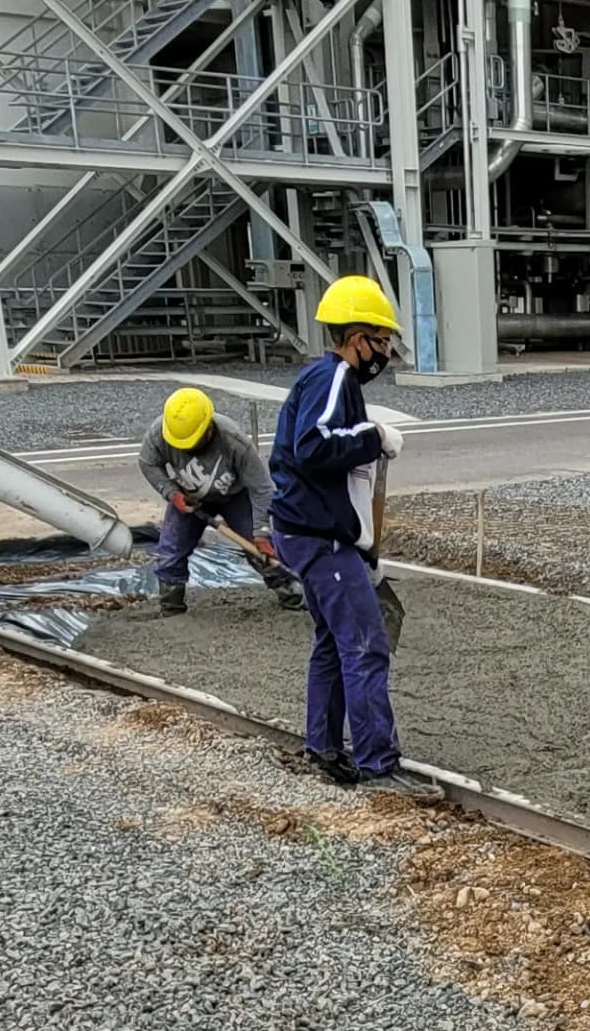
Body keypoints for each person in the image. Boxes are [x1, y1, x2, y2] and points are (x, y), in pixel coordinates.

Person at [270, 273, 409, 786]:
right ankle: (379, 764)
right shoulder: (333, 379)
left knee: (331, 642)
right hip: (318, 537)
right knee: (365, 646)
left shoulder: (326, 380)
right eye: (382, 341)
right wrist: (371, 437)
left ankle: (324, 748)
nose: (385, 353)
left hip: (312, 533)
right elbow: (313, 445)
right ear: (357, 339)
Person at [138, 387, 302, 614]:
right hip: (188, 499)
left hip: (236, 496)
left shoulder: (234, 442)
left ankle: (293, 596)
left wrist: (261, 531)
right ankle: (171, 609)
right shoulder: (160, 434)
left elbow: (262, 488)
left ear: (208, 429)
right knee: (170, 551)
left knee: (261, 550)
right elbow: (147, 463)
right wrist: (171, 493)